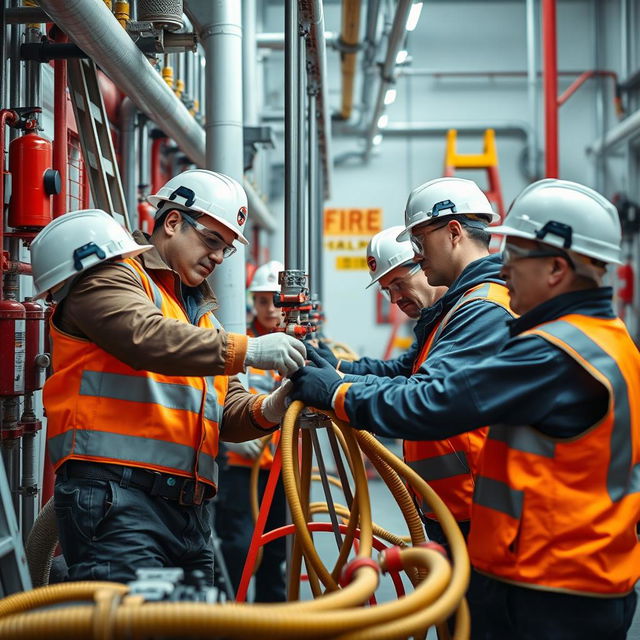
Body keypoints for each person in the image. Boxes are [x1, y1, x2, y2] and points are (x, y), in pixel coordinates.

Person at [291, 178, 640, 640]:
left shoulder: (550, 351)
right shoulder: (602, 337)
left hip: (553, 579)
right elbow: (414, 377)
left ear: (556, 268)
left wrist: (335, 393)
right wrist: (337, 373)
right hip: (577, 565)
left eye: (515, 257)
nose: (503, 267)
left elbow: (433, 401)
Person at [31, 169, 306, 584]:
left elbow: (227, 413)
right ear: (173, 221)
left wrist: (274, 406)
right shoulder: (113, 275)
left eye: (226, 249)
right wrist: (250, 350)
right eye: (212, 240)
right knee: (131, 625)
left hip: (188, 513)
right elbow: (143, 336)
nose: (217, 257)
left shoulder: (202, 317)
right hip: (117, 499)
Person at [309, 178, 515, 548]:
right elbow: (406, 371)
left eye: (419, 243)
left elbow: (427, 396)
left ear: (453, 232)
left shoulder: (481, 309)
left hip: (475, 507)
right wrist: (338, 369)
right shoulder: (458, 306)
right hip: (452, 505)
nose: (418, 254)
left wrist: (336, 391)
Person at [215, 260, 287, 602]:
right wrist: (230, 438)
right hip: (242, 465)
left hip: (284, 467)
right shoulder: (239, 342)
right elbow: (219, 395)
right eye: (262, 300)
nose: (270, 308)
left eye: (276, 299)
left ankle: (270, 623)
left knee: (278, 549)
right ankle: (233, 617)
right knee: (239, 546)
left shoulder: (303, 343)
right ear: (252, 302)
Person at [315, 225, 447, 376]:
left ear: (425, 266)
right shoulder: (435, 320)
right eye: (387, 291)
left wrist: (337, 389)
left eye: (399, 284)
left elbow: (423, 393)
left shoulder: (460, 315)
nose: (394, 299)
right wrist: (340, 365)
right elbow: (402, 369)